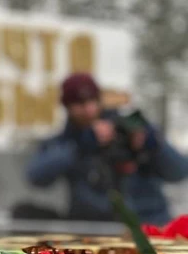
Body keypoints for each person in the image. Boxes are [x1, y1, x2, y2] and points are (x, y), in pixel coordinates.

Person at [25, 73, 188, 225]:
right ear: (68, 107)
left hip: (148, 226)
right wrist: (81, 146)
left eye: (92, 101)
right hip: (97, 230)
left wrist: (154, 145)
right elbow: (36, 176)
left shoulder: (130, 129)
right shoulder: (68, 141)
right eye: (80, 104)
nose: (89, 109)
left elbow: (180, 172)